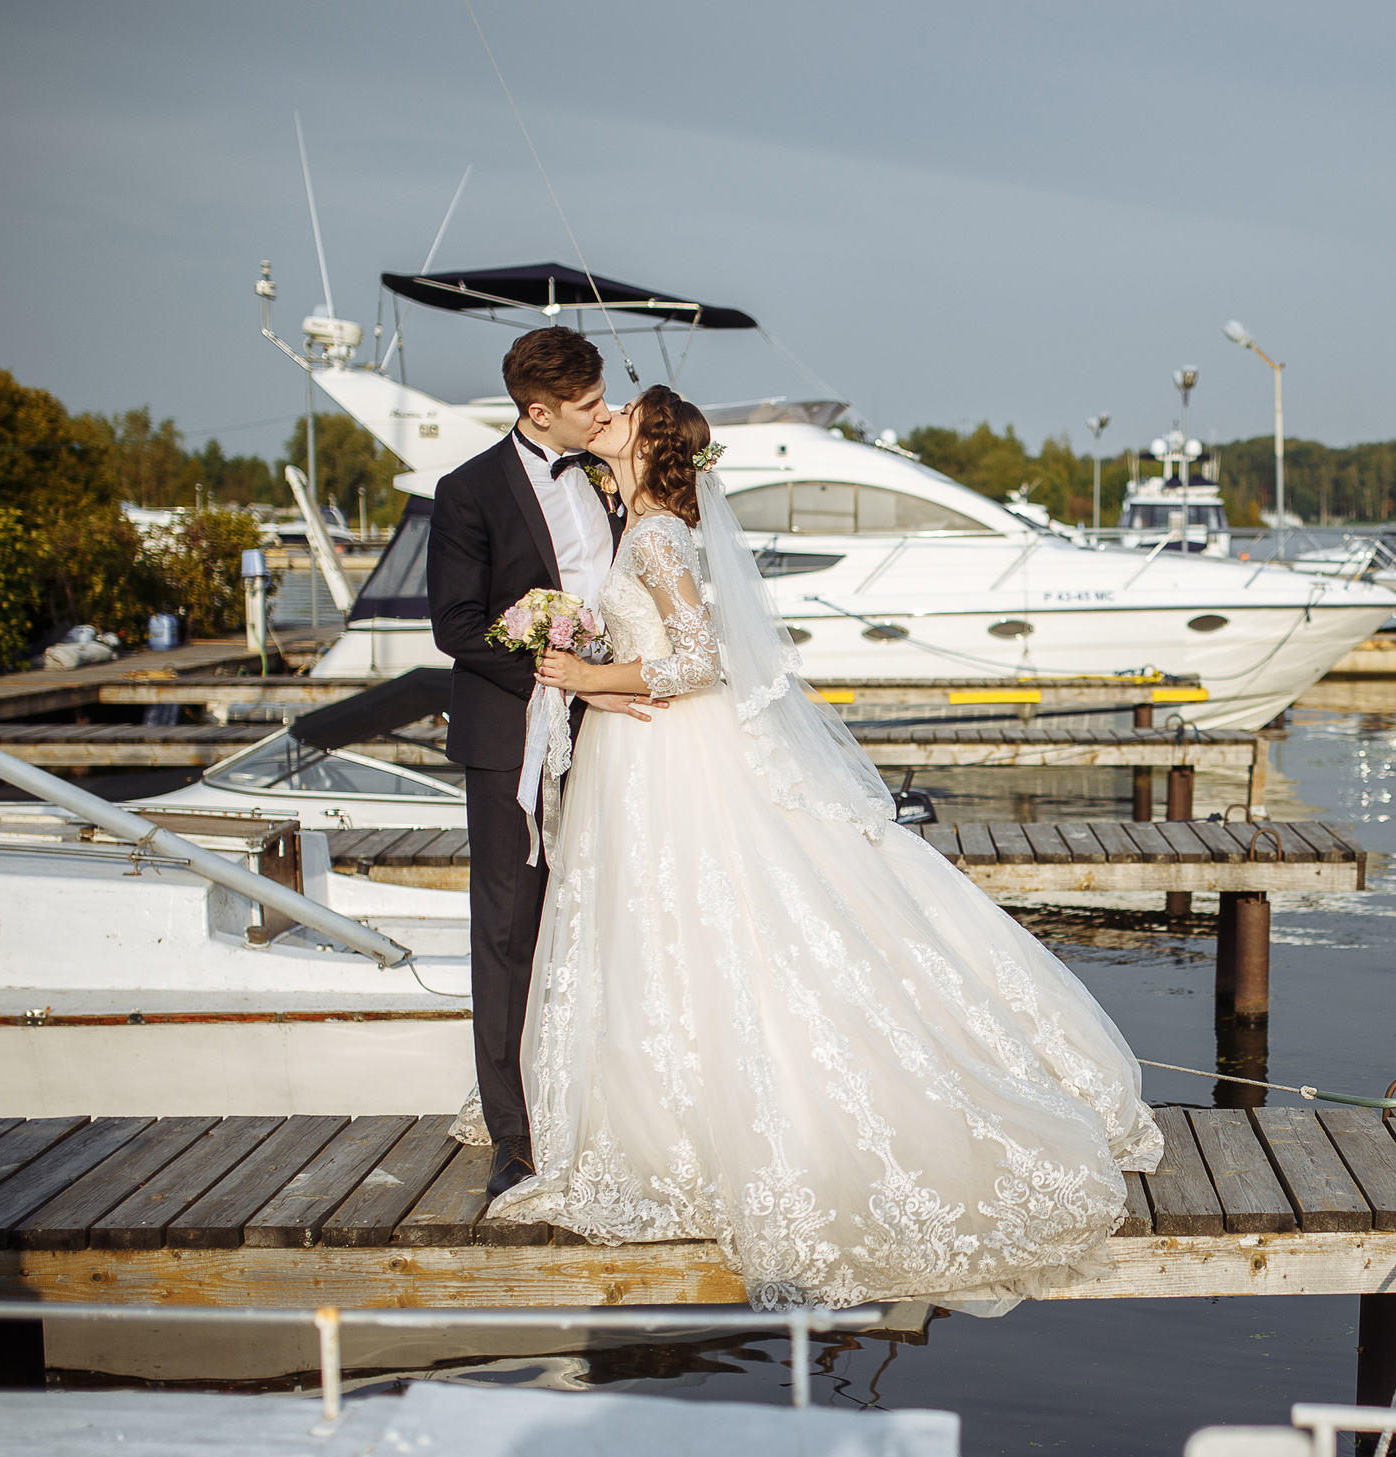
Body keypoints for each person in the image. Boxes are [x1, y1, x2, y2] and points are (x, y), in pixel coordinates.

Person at [496, 386, 1162, 1310]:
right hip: (643, 750)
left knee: (699, 916)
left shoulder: (651, 536)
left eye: (620, 414)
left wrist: (583, 671)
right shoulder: (637, 522)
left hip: (670, 753)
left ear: (648, 444)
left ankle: (694, 1118)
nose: (603, 418)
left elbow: (699, 659)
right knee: (664, 922)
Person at [426, 328, 661, 1198]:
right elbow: (454, 623)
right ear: (538, 411)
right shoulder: (468, 491)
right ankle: (515, 1137)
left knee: (614, 916)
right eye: (589, 407)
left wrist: (606, 680)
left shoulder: (605, 473)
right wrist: (558, 674)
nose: (604, 415)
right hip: (513, 740)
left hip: (621, 732)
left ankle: (609, 1103)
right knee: (508, 931)